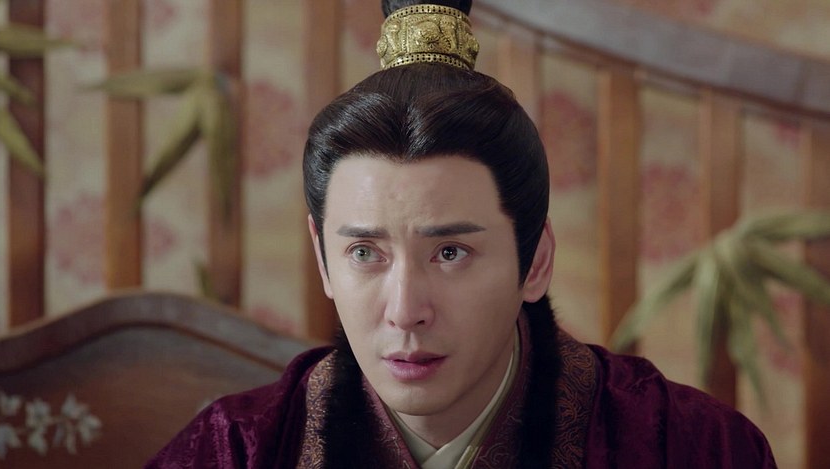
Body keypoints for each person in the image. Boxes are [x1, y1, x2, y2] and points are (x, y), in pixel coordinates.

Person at [147, 1, 776, 467]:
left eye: (450, 252)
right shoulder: (233, 450)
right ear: (322, 258)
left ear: (536, 261)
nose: (405, 311)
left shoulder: (690, 446)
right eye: (364, 252)